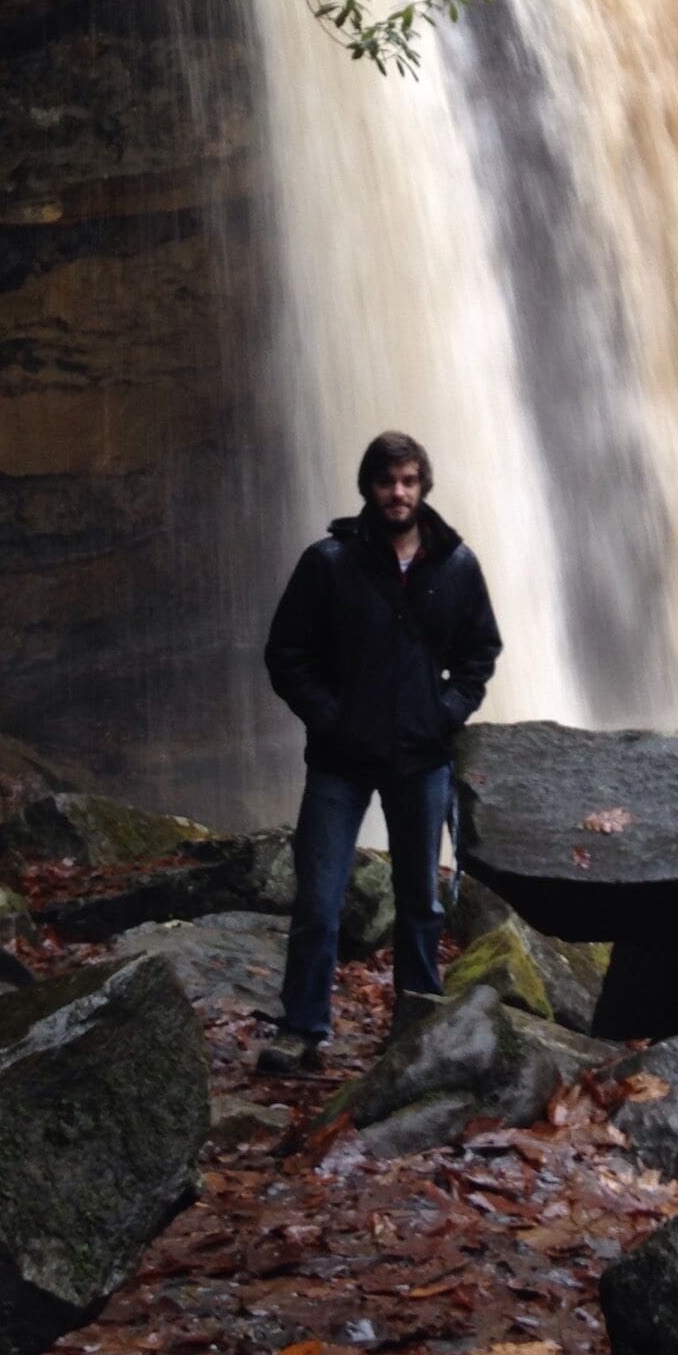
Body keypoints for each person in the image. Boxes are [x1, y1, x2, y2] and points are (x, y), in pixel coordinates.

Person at [258, 430, 502, 1075]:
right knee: (319, 899)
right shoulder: (330, 563)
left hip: (421, 759)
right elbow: (287, 655)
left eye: (409, 481)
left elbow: (481, 653)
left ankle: (417, 1022)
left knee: (420, 899)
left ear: (423, 488)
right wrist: (330, 718)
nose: (398, 493)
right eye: (388, 481)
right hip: (340, 760)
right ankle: (302, 1027)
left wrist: (445, 712)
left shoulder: (455, 566)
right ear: (369, 486)